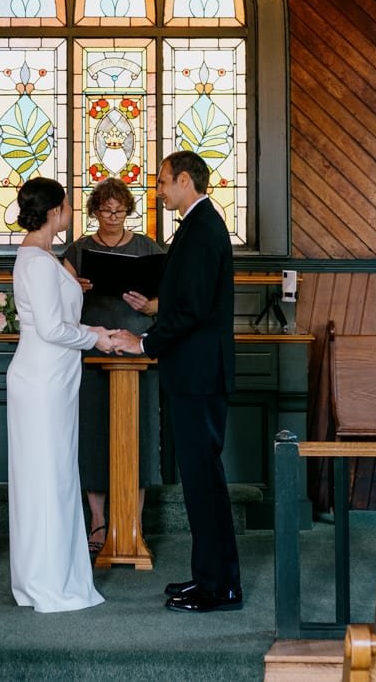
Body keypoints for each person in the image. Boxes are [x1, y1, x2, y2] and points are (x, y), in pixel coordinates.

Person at [118, 150, 240, 613]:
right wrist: (157, 307)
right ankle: (209, 577)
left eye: (164, 182)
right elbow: (190, 299)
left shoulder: (204, 227)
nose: (159, 190)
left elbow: (192, 309)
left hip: (198, 374)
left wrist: (145, 343)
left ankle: (221, 587)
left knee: (203, 481)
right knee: (199, 481)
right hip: (195, 371)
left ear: (185, 180)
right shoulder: (198, 224)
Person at [6, 175, 125, 612]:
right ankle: (45, 581)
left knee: (53, 475)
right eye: (69, 206)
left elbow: (54, 322)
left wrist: (93, 329)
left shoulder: (44, 256)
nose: (72, 212)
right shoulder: (37, 262)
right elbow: (54, 329)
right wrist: (97, 338)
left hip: (52, 376)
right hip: (41, 381)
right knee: (46, 478)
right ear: (55, 211)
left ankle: (47, 573)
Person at [64, 177, 163, 556]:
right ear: (94, 212)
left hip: (138, 351)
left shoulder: (147, 247)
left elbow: (167, 295)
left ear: (128, 211)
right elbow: (58, 299)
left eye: (119, 211)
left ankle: (132, 523)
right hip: (92, 352)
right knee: (94, 436)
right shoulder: (79, 249)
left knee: (138, 438)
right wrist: (78, 288)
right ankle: (99, 522)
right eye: (105, 210)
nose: (112, 217)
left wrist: (149, 304)